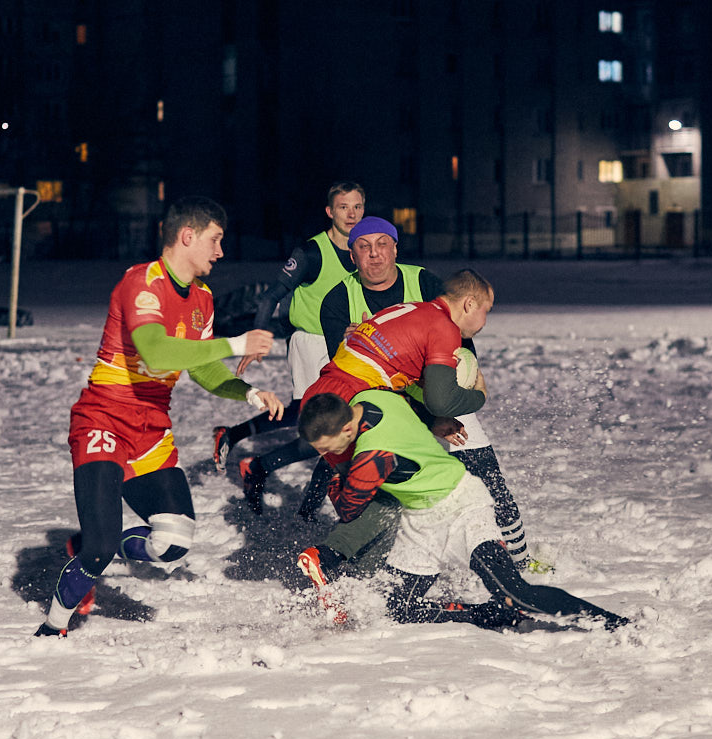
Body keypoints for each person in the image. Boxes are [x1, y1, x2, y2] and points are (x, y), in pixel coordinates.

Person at [35, 196, 284, 638]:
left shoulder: (203, 299)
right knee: (99, 548)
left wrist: (249, 394)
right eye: (215, 239)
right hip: (103, 421)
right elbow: (157, 349)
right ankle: (54, 624)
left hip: (150, 428)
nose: (220, 251)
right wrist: (235, 343)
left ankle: (97, 541)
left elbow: (202, 367)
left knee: (173, 544)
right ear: (187, 236)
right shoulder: (142, 283)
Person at [295, 391, 628, 631]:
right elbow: (407, 399)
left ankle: (613, 623)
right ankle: (488, 616)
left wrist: (335, 483)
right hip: (422, 520)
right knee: (399, 607)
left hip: (462, 505)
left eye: (326, 448)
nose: (326, 456)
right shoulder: (371, 397)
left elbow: (348, 509)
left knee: (512, 590)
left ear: (348, 430)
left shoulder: (372, 455)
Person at [316, 217, 536, 568]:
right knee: (391, 494)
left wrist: (466, 383)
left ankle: (522, 561)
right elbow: (346, 369)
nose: (375, 255)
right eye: (364, 247)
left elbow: (459, 344)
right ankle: (354, 562)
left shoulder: (424, 283)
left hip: (434, 399)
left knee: (486, 475)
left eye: (382, 244)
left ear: (396, 248)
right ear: (352, 255)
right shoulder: (338, 297)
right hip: (393, 408)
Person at [210, 181, 364, 516]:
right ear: (329, 211)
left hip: (344, 344)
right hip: (310, 343)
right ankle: (269, 474)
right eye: (343, 207)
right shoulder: (311, 252)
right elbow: (269, 297)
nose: (351, 214)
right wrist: (258, 336)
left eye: (357, 207)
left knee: (324, 419)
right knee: (328, 426)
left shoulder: (364, 249)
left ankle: (252, 455)